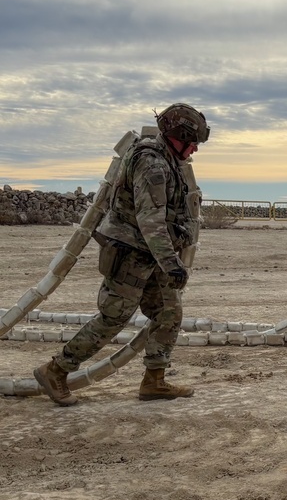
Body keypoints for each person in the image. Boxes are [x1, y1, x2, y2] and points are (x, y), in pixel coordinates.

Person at [33, 103, 210, 406]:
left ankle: (154, 381)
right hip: (131, 255)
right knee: (113, 318)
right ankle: (56, 370)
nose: (194, 148)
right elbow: (150, 220)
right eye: (191, 140)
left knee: (169, 313)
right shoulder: (152, 164)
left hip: (152, 254)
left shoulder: (167, 160)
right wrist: (172, 264)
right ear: (175, 135)